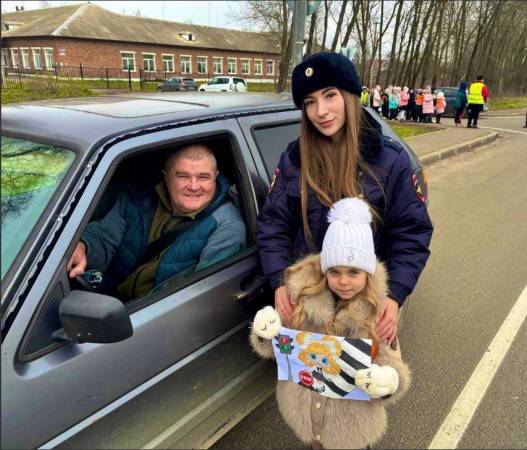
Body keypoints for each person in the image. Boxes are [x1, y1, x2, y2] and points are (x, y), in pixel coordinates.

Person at [256, 51, 433, 345]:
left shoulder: (390, 160)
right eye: (309, 103)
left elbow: (410, 233)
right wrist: (278, 281)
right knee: (307, 386)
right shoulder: (294, 159)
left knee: (368, 384)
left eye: (329, 96)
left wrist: (394, 295)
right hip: (310, 307)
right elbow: (273, 226)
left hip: (364, 309)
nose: (320, 111)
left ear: (349, 96)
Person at [251, 198, 412, 450]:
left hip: (352, 425)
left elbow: (392, 362)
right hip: (306, 414)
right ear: (324, 270)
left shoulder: (377, 310)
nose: (344, 281)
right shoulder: (302, 297)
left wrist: (389, 381)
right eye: (335, 272)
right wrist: (266, 331)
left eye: (353, 272)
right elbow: (279, 347)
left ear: (367, 272)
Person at [67, 144, 246, 299]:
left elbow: (201, 293)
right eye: (183, 176)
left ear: (215, 176)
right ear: (166, 176)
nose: (193, 186)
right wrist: (83, 245)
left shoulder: (227, 227)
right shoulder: (139, 199)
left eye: (203, 177)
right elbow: (104, 236)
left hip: (152, 312)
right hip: (108, 296)